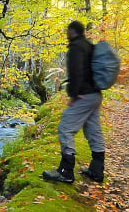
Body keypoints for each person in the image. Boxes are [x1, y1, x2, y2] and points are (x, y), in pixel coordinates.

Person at [42, 20, 105, 183]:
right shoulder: (89, 46)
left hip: (84, 95)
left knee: (65, 128)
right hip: (96, 95)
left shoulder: (76, 47)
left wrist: (74, 94)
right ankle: (97, 171)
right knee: (93, 131)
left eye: (68, 30)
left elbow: (76, 73)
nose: (66, 33)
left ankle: (66, 171)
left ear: (72, 31)